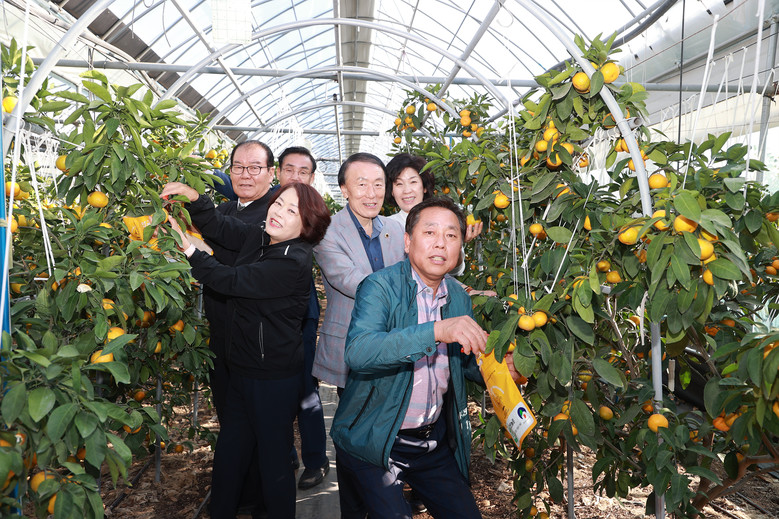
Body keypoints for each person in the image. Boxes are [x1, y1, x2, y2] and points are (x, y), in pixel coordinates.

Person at [161, 181, 331, 519]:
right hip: (242, 366)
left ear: (306, 226)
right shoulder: (263, 237)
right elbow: (222, 227)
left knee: (274, 461)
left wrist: (189, 249)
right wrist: (196, 199)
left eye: (292, 211)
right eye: (278, 203)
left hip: (273, 379)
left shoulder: (292, 261)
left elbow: (230, 281)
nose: (279, 212)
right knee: (230, 453)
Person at [332, 196, 498, 519]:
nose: (441, 243)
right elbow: (359, 351)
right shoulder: (379, 287)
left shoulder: (459, 297)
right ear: (407, 242)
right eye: (430, 232)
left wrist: (496, 370)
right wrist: (435, 330)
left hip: (429, 443)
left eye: (451, 235)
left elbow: (462, 362)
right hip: (375, 440)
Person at [312, 152, 406, 391]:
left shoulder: (395, 229)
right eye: (362, 184)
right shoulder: (327, 231)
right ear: (344, 190)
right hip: (352, 346)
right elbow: (351, 280)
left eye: (378, 184)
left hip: (394, 345)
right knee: (354, 412)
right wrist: (407, 290)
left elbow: (420, 270)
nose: (371, 194)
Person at [274, 146, 330, 490]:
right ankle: (286, 454)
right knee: (272, 389)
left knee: (305, 389)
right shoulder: (268, 205)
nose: (295, 176)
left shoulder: (312, 212)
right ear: (277, 172)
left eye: (303, 171)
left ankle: (316, 460)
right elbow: (226, 182)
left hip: (300, 315)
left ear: (312, 177)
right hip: (264, 317)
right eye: (289, 169)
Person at [385, 153, 496, 300]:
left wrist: (457, 243)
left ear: (424, 187)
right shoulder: (385, 227)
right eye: (399, 184)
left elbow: (454, 270)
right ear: (392, 191)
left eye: (413, 182)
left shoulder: (445, 220)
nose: (407, 190)